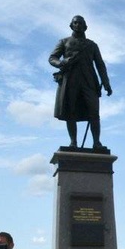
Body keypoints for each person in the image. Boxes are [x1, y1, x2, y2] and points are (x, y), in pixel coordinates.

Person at [49, 15, 112, 149]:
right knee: (70, 111)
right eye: (75, 23)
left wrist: (106, 82)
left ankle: (97, 143)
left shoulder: (92, 45)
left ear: (85, 27)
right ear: (71, 26)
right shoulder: (64, 42)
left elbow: (100, 64)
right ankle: (73, 142)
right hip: (70, 81)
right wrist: (61, 62)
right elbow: (52, 58)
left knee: (94, 112)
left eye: (80, 23)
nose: (78, 25)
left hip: (89, 81)